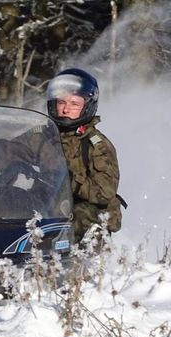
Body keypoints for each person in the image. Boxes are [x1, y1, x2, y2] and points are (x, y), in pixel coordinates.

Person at [46, 68, 123, 243]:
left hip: (89, 213)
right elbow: (9, 150)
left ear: (87, 106)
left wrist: (67, 179)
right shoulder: (44, 136)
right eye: (61, 102)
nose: (65, 109)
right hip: (50, 206)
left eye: (74, 104)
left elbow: (105, 192)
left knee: (81, 214)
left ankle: (79, 265)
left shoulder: (97, 144)